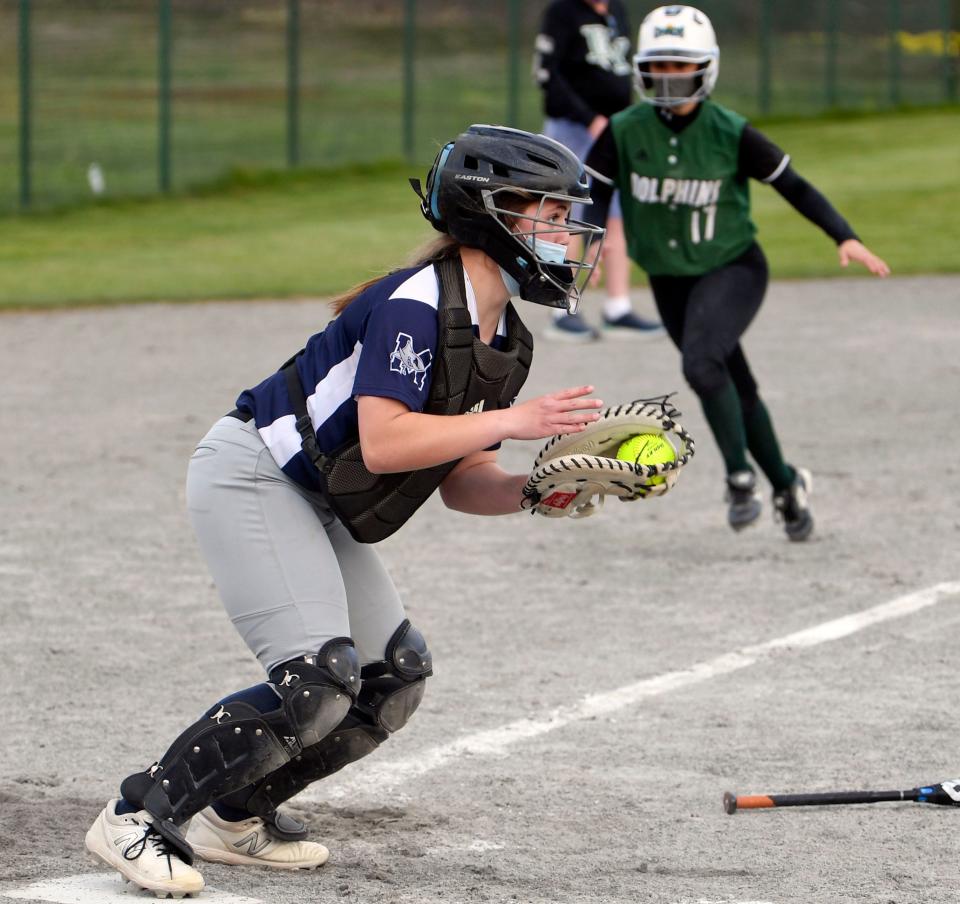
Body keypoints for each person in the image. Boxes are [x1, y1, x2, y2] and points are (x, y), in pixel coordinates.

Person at [83, 124, 607, 897]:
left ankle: (233, 816)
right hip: (255, 477)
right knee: (317, 680)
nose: (567, 235)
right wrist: (512, 422)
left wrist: (539, 489)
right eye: (551, 215)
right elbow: (388, 442)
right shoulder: (413, 303)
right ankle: (136, 815)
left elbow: (463, 479)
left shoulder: (509, 342)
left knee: (391, 677)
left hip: (317, 498)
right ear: (492, 215)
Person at [581, 5, 890, 540]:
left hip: (733, 268)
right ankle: (788, 485)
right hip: (670, 278)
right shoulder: (624, 131)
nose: (671, 77)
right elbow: (594, 194)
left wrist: (845, 235)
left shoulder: (731, 131)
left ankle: (740, 478)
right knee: (733, 384)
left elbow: (794, 185)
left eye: (682, 65)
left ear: (706, 69)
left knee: (703, 366)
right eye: (660, 65)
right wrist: (578, 242)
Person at [534, 0, 665, 342]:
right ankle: (561, 308)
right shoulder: (563, 12)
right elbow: (547, 76)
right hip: (573, 129)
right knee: (570, 215)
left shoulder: (616, 10)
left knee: (617, 214)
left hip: (613, 130)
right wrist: (589, 119)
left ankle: (618, 307)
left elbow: (622, 71)